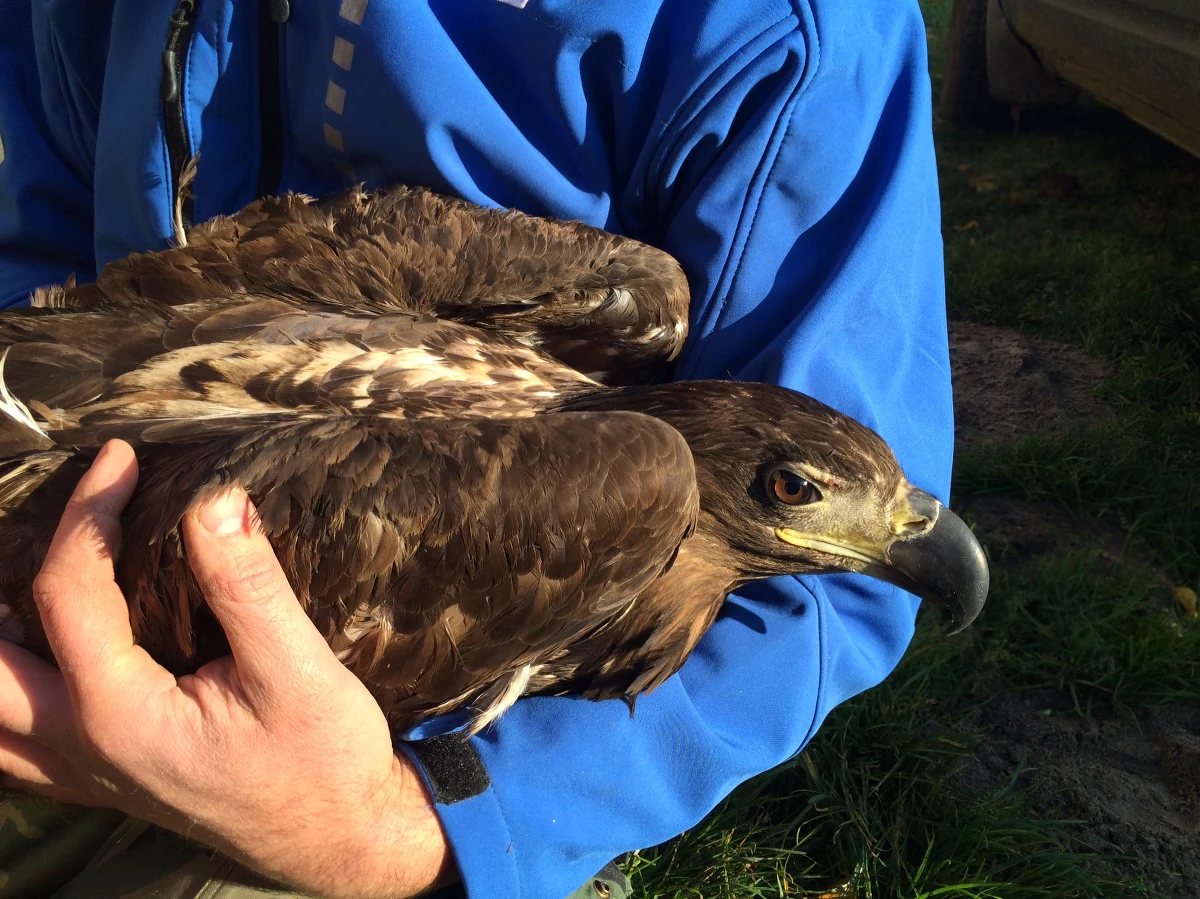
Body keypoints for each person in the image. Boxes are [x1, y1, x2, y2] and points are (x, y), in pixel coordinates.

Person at [0, 1, 954, 897]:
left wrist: (421, 821)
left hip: (382, 774)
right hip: (64, 538)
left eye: (794, 491)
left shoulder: (791, 32)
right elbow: (43, 246)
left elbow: (826, 611)